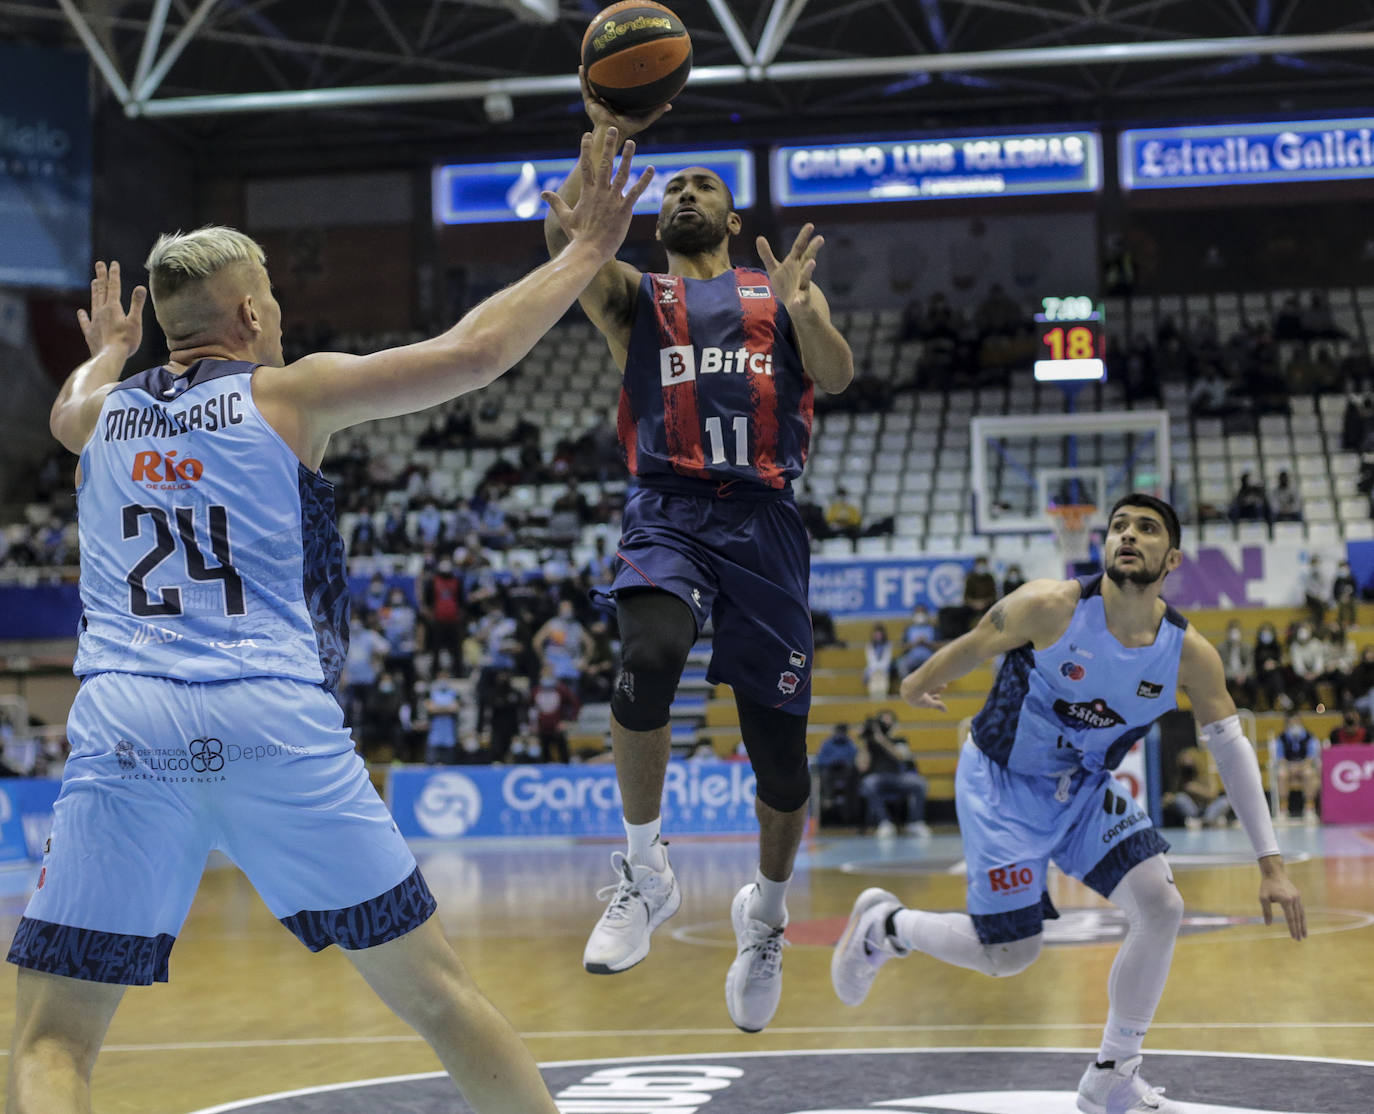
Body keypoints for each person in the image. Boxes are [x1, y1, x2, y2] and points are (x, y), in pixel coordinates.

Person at [13, 130, 654, 1114]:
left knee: (54, 1041)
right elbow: (475, 352)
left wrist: (106, 348)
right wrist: (586, 252)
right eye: (270, 297)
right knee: (439, 997)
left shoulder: (99, 416)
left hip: (128, 725)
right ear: (252, 312)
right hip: (273, 721)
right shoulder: (288, 393)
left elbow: (70, 401)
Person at [544, 72, 853, 1034]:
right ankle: (646, 872)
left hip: (763, 520)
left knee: (781, 766)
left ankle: (766, 916)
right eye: (673, 187)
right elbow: (564, 244)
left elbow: (838, 374)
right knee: (647, 657)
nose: (684, 194)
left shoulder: (780, 293)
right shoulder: (639, 296)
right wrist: (601, 135)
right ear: (655, 216)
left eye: (702, 186)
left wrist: (809, 316)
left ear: (732, 215)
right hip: (668, 507)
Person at [831, 493, 1305, 1114]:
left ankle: (1112, 1072)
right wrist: (919, 681)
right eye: (1119, 526)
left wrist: (1271, 863)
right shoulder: (1051, 605)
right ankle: (886, 926)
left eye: (1147, 528)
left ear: (1173, 559)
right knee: (1009, 954)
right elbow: (977, 642)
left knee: (1161, 905)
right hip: (1002, 784)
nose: (1128, 535)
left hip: (1081, 788)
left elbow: (1232, 748)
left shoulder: (1189, 654)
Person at [856, 711, 929, 838]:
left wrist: (882, 740)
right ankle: (884, 823)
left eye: (888, 722)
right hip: (878, 778)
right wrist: (864, 742)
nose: (885, 724)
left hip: (898, 777)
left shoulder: (899, 740)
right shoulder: (869, 743)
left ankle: (916, 822)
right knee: (868, 784)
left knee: (919, 783)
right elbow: (862, 767)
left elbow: (901, 757)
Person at [1274, 714, 1321, 825]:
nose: (1295, 725)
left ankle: (1309, 808)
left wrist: (1301, 766)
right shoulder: (1281, 738)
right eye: (1292, 723)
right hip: (1288, 767)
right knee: (1281, 774)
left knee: (1309, 773)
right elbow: (1280, 758)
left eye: (1297, 722)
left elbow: (1311, 757)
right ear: (1287, 724)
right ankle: (1283, 809)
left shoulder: (1309, 737)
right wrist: (1290, 766)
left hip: (1304, 766)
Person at [1216, 619, 1255, 710]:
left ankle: (1251, 707)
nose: (1234, 634)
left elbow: (1250, 665)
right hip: (1229, 675)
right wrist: (1234, 676)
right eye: (1232, 631)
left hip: (1244, 675)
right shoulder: (1221, 648)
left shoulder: (1247, 647)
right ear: (1227, 633)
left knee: (1253, 683)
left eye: (1236, 631)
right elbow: (1221, 666)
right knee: (1223, 683)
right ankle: (1226, 708)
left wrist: (1243, 674)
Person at [896, 605, 940, 676]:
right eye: (918, 612)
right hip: (912, 658)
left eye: (922, 612)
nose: (920, 615)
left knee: (940, 661)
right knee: (901, 663)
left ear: (926, 614)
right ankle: (907, 682)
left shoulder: (933, 629)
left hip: (929, 657)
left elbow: (939, 645)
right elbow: (903, 646)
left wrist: (926, 643)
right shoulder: (909, 629)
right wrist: (915, 643)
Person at [962, 555, 998, 628]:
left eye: (983, 564)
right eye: (979, 564)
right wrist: (974, 603)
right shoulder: (970, 578)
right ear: (976, 565)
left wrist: (984, 602)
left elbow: (993, 595)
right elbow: (966, 596)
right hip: (972, 606)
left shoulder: (990, 578)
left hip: (987, 605)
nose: (981, 567)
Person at [863, 623, 894, 697]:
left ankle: (883, 693)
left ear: (883, 634)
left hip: (884, 668)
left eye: (879, 634)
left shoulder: (888, 645)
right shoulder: (869, 645)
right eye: (876, 634)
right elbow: (870, 660)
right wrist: (876, 669)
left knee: (883, 676)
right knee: (871, 675)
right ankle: (873, 694)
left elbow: (887, 660)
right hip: (872, 668)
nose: (878, 636)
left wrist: (881, 669)